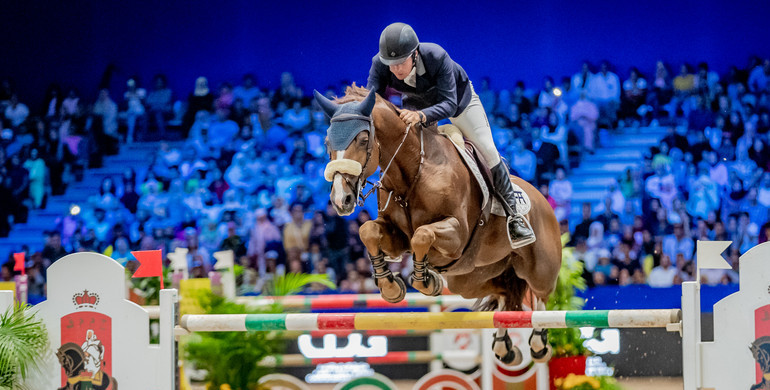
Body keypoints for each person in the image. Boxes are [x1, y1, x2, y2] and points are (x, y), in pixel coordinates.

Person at [366, 22, 534, 248]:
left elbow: (449, 103)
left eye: (401, 62)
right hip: (416, 104)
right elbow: (370, 102)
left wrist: (422, 117)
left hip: (459, 104)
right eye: (391, 64)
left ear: (414, 54)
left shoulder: (437, 56)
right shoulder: (380, 63)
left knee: (488, 149)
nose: (395, 69)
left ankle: (514, 216)